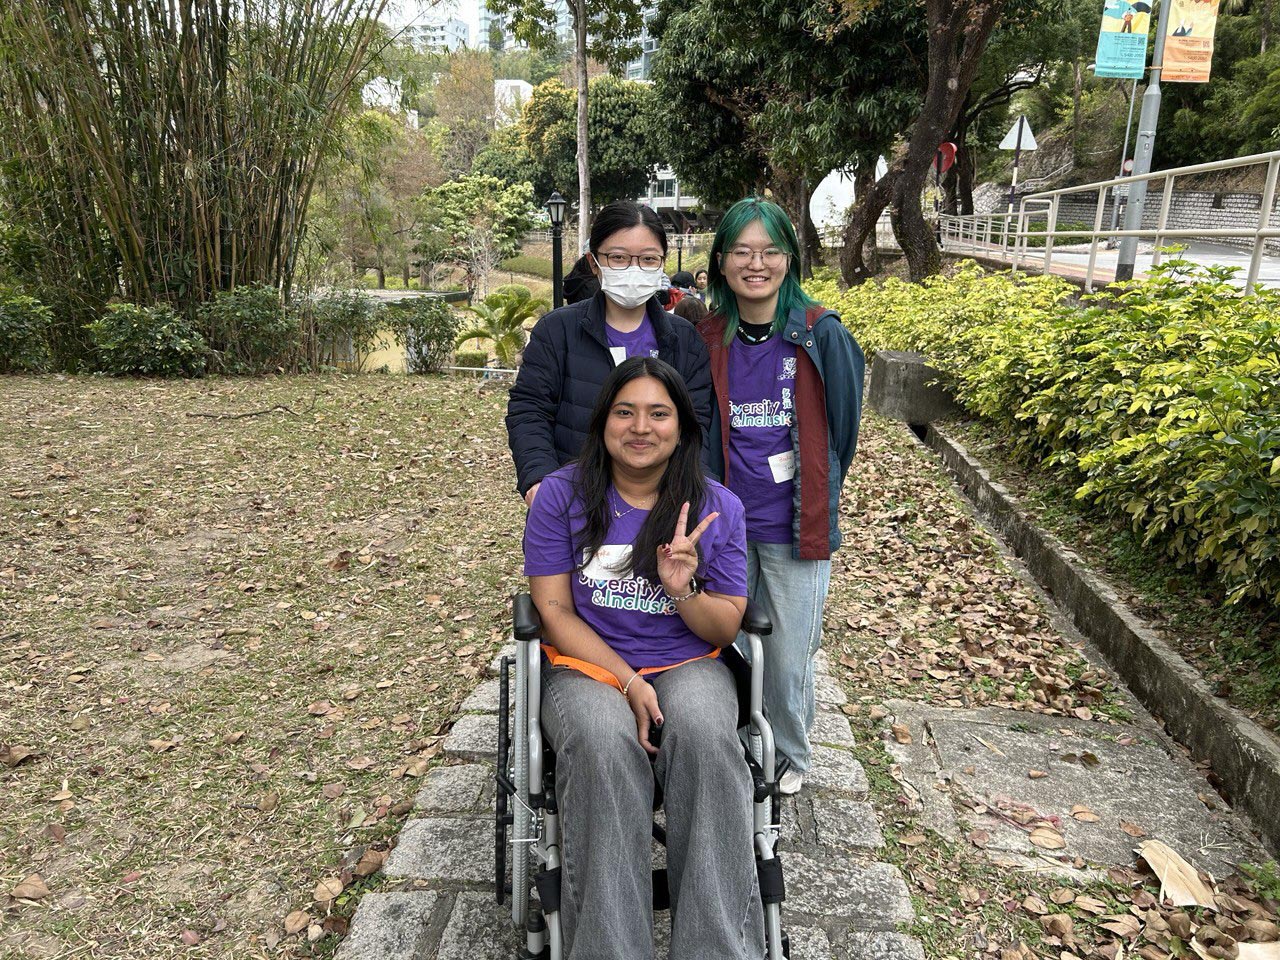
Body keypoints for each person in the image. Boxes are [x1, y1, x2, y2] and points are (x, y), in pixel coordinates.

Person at [523, 356, 764, 959]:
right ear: (603, 421)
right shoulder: (560, 497)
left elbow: (728, 621)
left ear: (681, 427)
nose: (640, 427)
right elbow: (553, 610)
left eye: (659, 413)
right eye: (625, 411)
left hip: (689, 662)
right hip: (587, 668)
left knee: (710, 736)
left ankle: (715, 948)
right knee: (603, 745)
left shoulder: (716, 508)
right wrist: (628, 681)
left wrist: (681, 585)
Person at [699, 196, 865, 796]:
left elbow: (841, 431)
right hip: (725, 525)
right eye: (741, 251)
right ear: (721, 262)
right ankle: (744, 741)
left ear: (790, 258)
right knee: (731, 643)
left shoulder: (822, 335)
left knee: (791, 655)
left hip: (797, 525)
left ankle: (790, 754)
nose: (756, 263)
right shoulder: (709, 336)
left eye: (770, 250)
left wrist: (818, 485)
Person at [507, 201, 712, 506]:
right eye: (617, 258)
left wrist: (692, 496)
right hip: (574, 504)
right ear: (594, 263)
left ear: (661, 263)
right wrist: (539, 479)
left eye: (647, 259)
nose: (633, 268)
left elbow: (699, 425)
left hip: (661, 509)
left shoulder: (684, 340)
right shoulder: (557, 331)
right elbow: (529, 409)